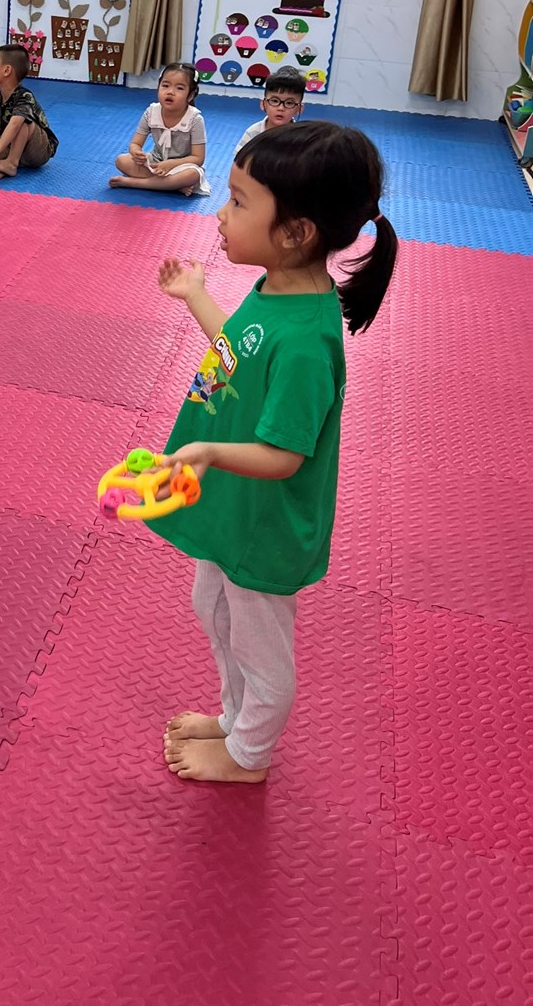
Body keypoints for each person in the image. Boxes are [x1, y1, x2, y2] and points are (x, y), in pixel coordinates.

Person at [151, 120, 398, 784]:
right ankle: (235, 720)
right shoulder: (274, 291)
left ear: (295, 232)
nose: (222, 214)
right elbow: (235, 356)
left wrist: (207, 450)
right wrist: (197, 297)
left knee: (261, 650)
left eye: (238, 201)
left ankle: (248, 756)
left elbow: (285, 457)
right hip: (235, 506)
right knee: (211, 609)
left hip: (267, 522)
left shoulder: (308, 342)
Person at [109, 62, 210, 195]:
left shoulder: (195, 119)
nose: (170, 92)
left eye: (179, 88)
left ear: (190, 95)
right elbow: (135, 144)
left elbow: (198, 158)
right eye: (165, 85)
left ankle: (134, 183)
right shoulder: (151, 112)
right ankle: (171, 185)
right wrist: (137, 153)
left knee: (192, 175)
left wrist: (170, 164)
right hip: (155, 162)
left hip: (181, 166)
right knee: (121, 160)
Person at [0, 44, 57, 178]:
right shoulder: (0, 97)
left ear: (6, 70)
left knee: (23, 121)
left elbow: (15, 124)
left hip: (38, 150)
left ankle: (11, 163)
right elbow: (1, 130)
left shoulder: (24, 96)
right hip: (14, 148)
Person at [234, 66, 306, 154]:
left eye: (289, 103)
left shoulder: (301, 138)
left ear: (299, 109)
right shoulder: (253, 132)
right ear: (263, 104)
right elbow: (240, 160)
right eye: (275, 101)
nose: (281, 108)